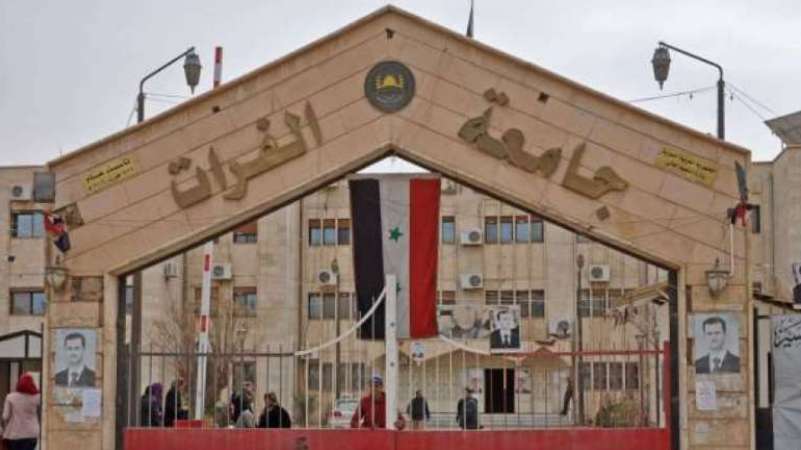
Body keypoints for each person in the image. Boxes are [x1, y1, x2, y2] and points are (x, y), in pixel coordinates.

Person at [2, 373, 40, 450]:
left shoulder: (10, 397)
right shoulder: (37, 397)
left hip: (15, 434)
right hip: (31, 433)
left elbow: (5, 416)